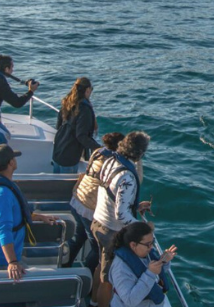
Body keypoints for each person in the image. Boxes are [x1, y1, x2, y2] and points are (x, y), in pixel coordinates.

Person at [92, 131, 153, 307]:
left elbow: (112, 193)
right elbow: (121, 214)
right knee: (108, 280)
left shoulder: (110, 160)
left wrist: (134, 206)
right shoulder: (128, 176)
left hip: (98, 222)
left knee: (101, 266)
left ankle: (93, 300)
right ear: (140, 153)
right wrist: (144, 227)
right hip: (111, 231)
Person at [0, 144, 58, 281]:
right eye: (14, 158)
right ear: (11, 163)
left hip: (6, 253)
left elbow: (12, 211)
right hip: (2, 258)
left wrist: (36, 216)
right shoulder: (2, 194)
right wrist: (12, 262)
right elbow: (3, 230)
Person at [65, 132, 125, 302]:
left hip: (78, 198)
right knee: (96, 246)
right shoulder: (112, 162)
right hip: (89, 207)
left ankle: (64, 265)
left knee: (78, 236)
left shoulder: (98, 152)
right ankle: (88, 277)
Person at [108, 222, 177, 307]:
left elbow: (156, 276)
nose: (151, 247)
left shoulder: (145, 253)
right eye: (148, 244)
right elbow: (130, 300)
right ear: (133, 245)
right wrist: (150, 274)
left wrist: (163, 261)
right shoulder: (120, 269)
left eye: (152, 242)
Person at [52, 77, 99, 174]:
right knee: (65, 188)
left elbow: (58, 125)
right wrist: (99, 148)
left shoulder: (67, 103)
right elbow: (81, 135)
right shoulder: (84, 110)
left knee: (57, 182)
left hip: (58, 150)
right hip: (69, 156)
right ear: (87, 90)